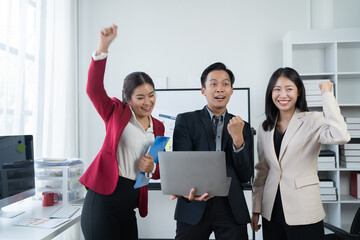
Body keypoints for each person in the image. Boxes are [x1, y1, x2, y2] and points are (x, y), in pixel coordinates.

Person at [79, 24, 165, 240]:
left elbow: (155, 171)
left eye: (151, 95)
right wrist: (102, 49)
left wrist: (152, 167)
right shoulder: (115, 113)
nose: (148, 102)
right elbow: (93, 89)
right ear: (128, 99)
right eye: (140, 97)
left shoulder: (159, 127)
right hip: (103, 200)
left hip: (129, 203)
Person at [251, 67, 350, 240]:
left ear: (299, 92)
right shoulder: (264, 127)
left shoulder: (312, 120)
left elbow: (341, 135)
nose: (283, 95)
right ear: (270, 93)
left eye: (289, 89)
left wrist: (326, 94)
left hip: (304, 210)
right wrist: (256, 208)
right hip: (271, 211)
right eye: (277, 89)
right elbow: (262, 170)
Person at [172, 62, 253, 240]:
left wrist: (238, 139)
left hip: (231, 206)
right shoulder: (186, 120)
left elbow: (246, 175)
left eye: (225, 84)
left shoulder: (242, 126)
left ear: (232, 90)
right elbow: (182, 165)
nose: (220, 89)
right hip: (194, 203)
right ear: (203, 90)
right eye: (213, 84)